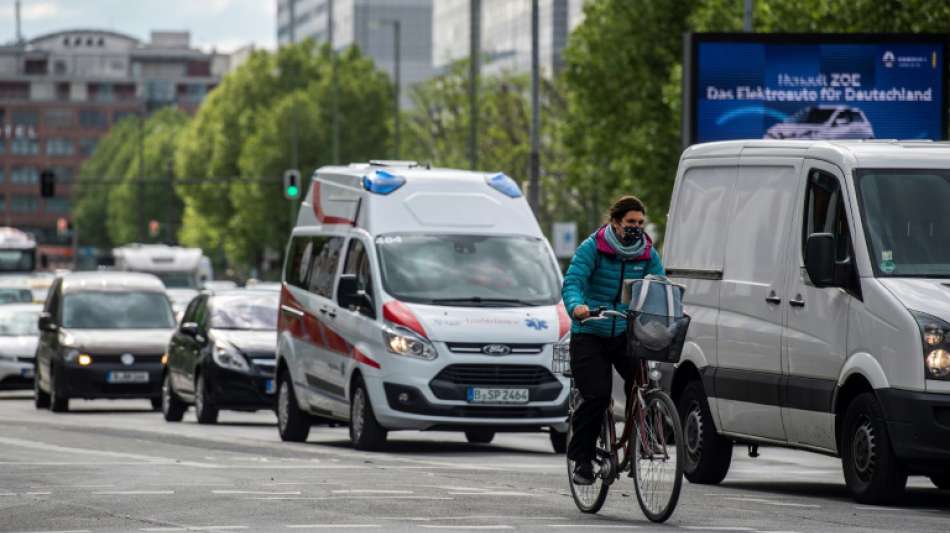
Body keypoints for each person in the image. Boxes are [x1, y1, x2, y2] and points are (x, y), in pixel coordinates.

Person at [561, 195, 665, 485]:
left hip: (623, 331)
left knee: (644, 381)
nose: (636, 227)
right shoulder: (593, 247)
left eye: (641, 223)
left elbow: (658, 284)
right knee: (597, 395)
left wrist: (664, 311)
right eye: (631, 222)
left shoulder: (646, 252)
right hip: (590, 331)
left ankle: (642, 437)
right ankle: (582, 460)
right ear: (616, 222)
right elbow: (573, 282)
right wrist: (577, 307)